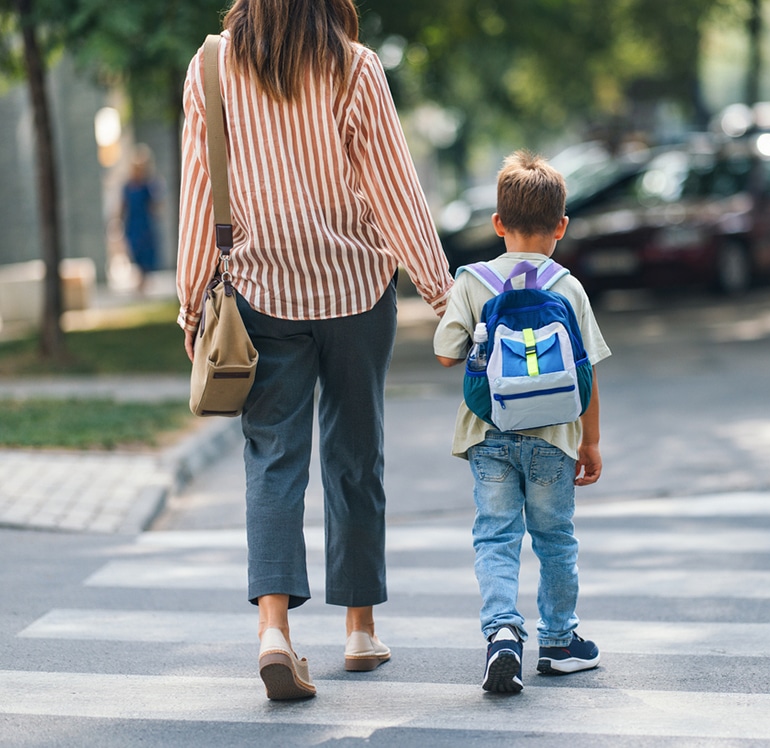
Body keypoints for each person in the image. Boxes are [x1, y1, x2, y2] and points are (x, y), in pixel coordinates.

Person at [176, 0, 453, 701]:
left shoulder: (210, 66)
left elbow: (197, 190)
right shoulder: (354, 67)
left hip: (259, 289)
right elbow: (395, 191)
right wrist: (444, 297)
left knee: (273, 456)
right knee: (357, 449)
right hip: (357, 286)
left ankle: (275, 633)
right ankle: (359, 631)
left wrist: (190, 301)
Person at [433, 150, 611, 694]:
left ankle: (502, 632)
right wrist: (592, 441)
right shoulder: (569, 286)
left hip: (488, 436)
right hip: (555, 438)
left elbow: (445, 354)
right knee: (555, 537)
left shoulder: (471, 280)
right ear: (561, 226)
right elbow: (588, 372)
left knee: (496, 535)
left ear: (497, 224)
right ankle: (558, 641)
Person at [120, 144, 160, 294]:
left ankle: (143, 283)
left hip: (145, 224)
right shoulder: (128, 186)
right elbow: (122, 205)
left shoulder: (148, 185)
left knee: (147, 253)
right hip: (133, 223)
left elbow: (155, 206)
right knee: (135, 251)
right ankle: (140, 281)